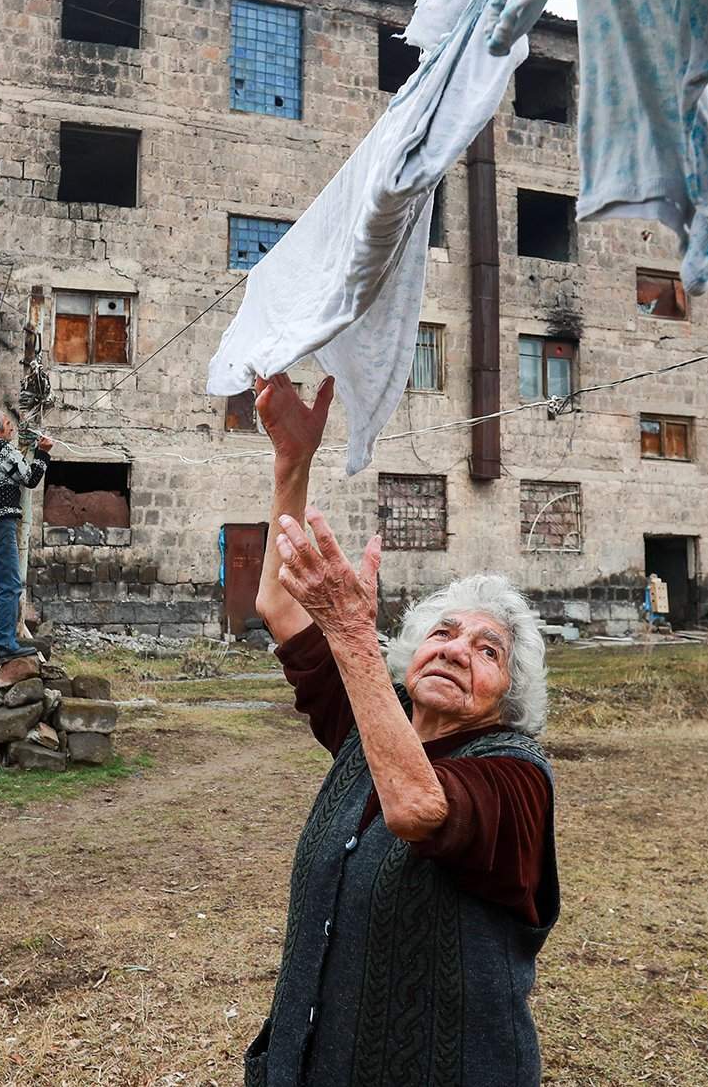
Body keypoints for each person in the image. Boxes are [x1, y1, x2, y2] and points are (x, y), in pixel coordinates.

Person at [245, 374, 559, 1087]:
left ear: (508, 696)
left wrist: (352, 633)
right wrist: (293, 463)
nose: (456, 647)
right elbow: (278, 603)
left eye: (488, 650)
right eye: (443, 631)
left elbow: (419, 806)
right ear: (410, 652)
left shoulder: (515, 774)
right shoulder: (373, 715)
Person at [0, 407, 52, 687]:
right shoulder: (2, 450)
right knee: (11, 583)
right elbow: (29, 478)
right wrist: (42, 453)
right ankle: (5, 641)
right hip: (1, 522)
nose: (11, 427)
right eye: (7, 424)